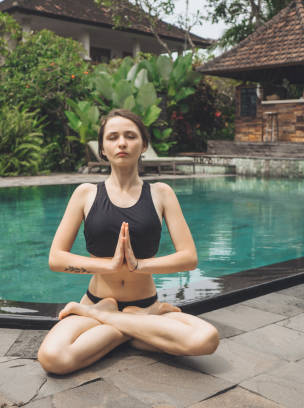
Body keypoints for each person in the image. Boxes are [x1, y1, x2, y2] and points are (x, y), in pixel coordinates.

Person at [37, 109, 219, 375]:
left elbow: (189, 257)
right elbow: (56, 258)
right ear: (102, 148)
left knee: (206, 339)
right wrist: (108, 267)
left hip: (144, 306)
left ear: (143, 145)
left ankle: (115, 321)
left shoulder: (161, 193)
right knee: (53, 358)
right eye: (113, 137)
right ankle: (135, 331)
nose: (121, 143)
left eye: (130, 136)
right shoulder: (85, 194)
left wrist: (139, 265)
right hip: (96, 301)